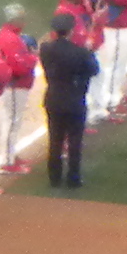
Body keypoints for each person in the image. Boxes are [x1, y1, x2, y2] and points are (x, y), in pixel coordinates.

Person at [37, 19, 94, 187]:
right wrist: (89, 52)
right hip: (75, 99)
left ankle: (54, 178)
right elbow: (93, 70)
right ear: (71, 31)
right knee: (75, 140)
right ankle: (73, 178)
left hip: (53, 98)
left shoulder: (45, 49)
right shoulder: (80, 52)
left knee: (55, 139)